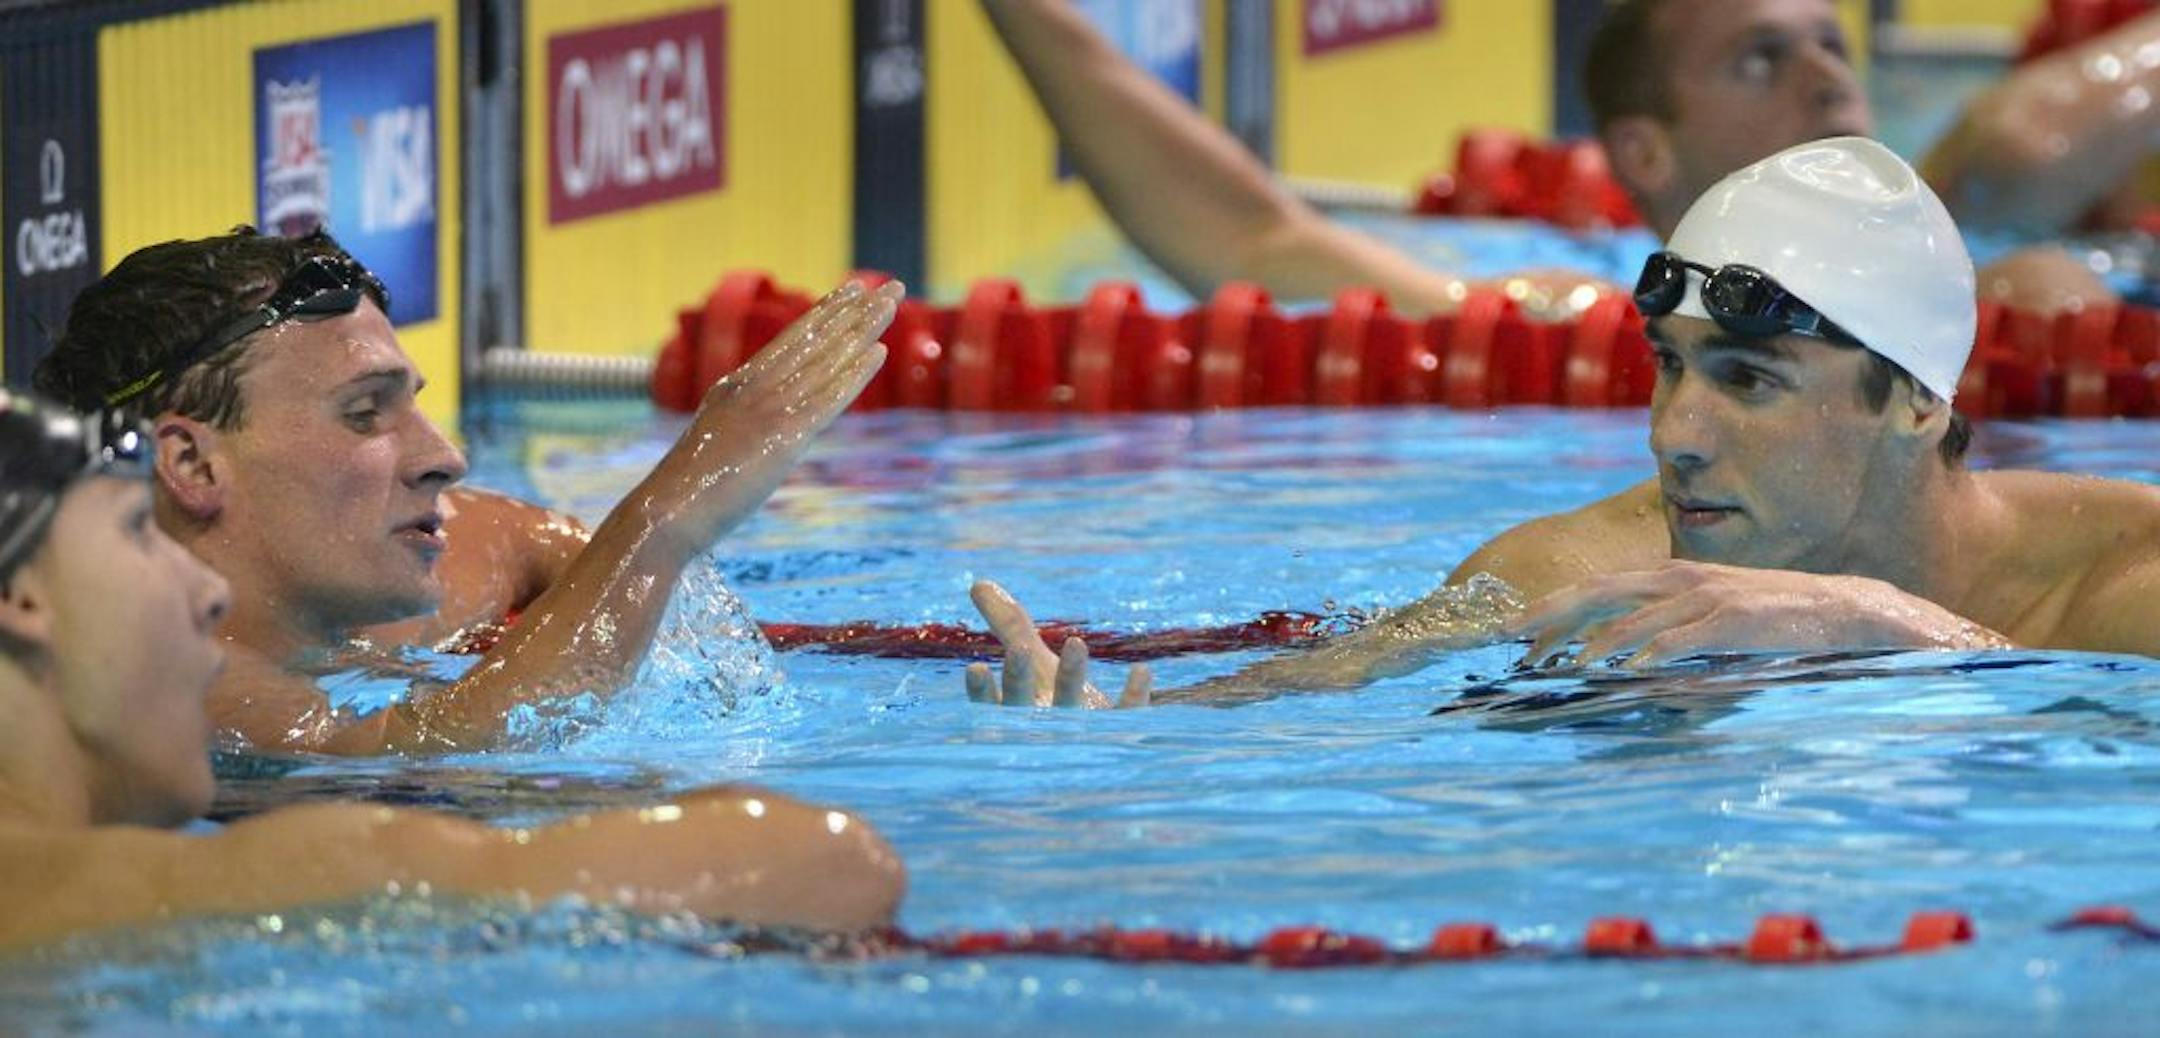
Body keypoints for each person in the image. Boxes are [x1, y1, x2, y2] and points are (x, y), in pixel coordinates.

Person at [964, 137, 2160, 708]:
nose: (1675, 435)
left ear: (1914, 401)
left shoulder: (2123, 585)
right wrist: (1106, 738)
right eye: (1668, 367)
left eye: (1748, 382)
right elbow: (1329, 688)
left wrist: (1901, 627)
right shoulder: (1574, 571)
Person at [0, 392, 903, 949]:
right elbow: (830, 860)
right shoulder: (217, 887)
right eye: (131, 535)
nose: (200, 593)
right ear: (21, 601)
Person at [34, 229, 897, 755]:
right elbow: (429, 750)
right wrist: (666, 518)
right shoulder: (155, 680)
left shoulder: (414, 569)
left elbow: (558, 563)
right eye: (365, 414)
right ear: (191, 466)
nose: (444, 456)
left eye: (416, 402)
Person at [981, 0, 2125, 318]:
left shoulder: (2006, 281)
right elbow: (1252, 238)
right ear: (1643, 150)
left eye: (1832, 46)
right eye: (1759, 61)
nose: (1829, 79)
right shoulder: (1587, 318)